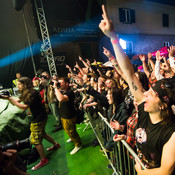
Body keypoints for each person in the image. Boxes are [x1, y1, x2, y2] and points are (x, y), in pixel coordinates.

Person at [99, 5, 175, 174]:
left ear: (163, 104)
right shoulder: (143, 110)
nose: (145, 93)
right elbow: (129, 73)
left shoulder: (171, 134)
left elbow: (164, 171)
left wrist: (141, 172)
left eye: (152, 94)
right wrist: (113, 38)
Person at [1, 77, 60, 171]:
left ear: (25, 84)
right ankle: (55, 144)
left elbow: (23, 107)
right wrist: (7, 98)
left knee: (36, 140)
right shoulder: (25, 93)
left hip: (38, 118)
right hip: (39, 117)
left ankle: (44, 160)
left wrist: (10, 98)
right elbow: (15, 103)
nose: (18, 86)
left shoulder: (32, 93)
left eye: (19, 84)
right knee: (43, 134)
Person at [54, 77, 82, 155]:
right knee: (67, 129)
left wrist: (55, 88)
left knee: (71, 131)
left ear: (67, 84)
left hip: (69, 115)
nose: (59, 84)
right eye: (58, 82)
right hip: (64, 115)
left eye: (61, 82)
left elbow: (61, 99)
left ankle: (78, 144)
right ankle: (72, 138)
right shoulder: (63, 91)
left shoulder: (70, 92)